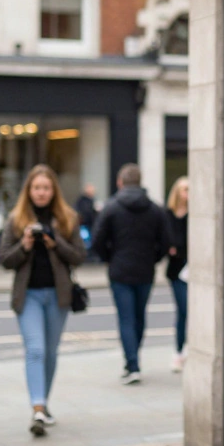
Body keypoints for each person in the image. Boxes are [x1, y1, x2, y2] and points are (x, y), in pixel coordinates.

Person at [0, 164, 85, 437]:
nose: (41, 193)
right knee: (35, 349)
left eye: (46, 188)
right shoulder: (16, 219)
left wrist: (54, 242)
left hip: (58, 296)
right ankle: (37, 407)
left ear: (53, 190)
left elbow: (80, 256)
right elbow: (4, 260)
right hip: (29, 295)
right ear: (29, 191)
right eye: (36, 188)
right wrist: (24, 245)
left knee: (50, 352)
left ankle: (42, 405)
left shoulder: (67, 218)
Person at [92, 164, 171, 385]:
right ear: (140, 181)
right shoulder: (155, 209)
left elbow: (97, 240)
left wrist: (109, 257)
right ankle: (134, 359)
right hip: (145, 269)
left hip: (119, 269)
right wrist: (153, 258)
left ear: (120, 182)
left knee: (126, 317)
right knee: (139, 315)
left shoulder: (111, 207)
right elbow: (165, 242)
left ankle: (132, 364)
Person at [165, 176, 188, 373]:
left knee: (189, 312)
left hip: (193, 268)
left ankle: (184, 350)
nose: (187, 194)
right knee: (183, 309)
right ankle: (179, 351)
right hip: (176, 270)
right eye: (184, 189)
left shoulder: (196, 214)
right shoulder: (168, 214)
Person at [74, 184, 97, 260]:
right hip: (85, 225)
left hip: (89, 225)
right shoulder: (84, 201)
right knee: (85, 242)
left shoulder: (90, 201)